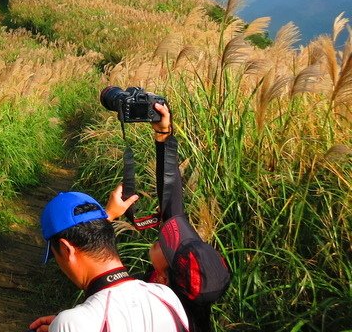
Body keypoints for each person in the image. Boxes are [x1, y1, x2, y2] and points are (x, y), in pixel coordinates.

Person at [105, 103, 230, 332]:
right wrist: (163, 135)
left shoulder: (138, 308)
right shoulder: (184, 300)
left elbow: (93, 266)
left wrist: (108, 216)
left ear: (163, 279)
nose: (166, 235)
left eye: (171, 246)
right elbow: (171, 200)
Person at [29, 190, 189, 332]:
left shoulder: (74, 323)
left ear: (66, 249)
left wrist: (66, 325)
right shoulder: (166, 296)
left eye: (55, 256)